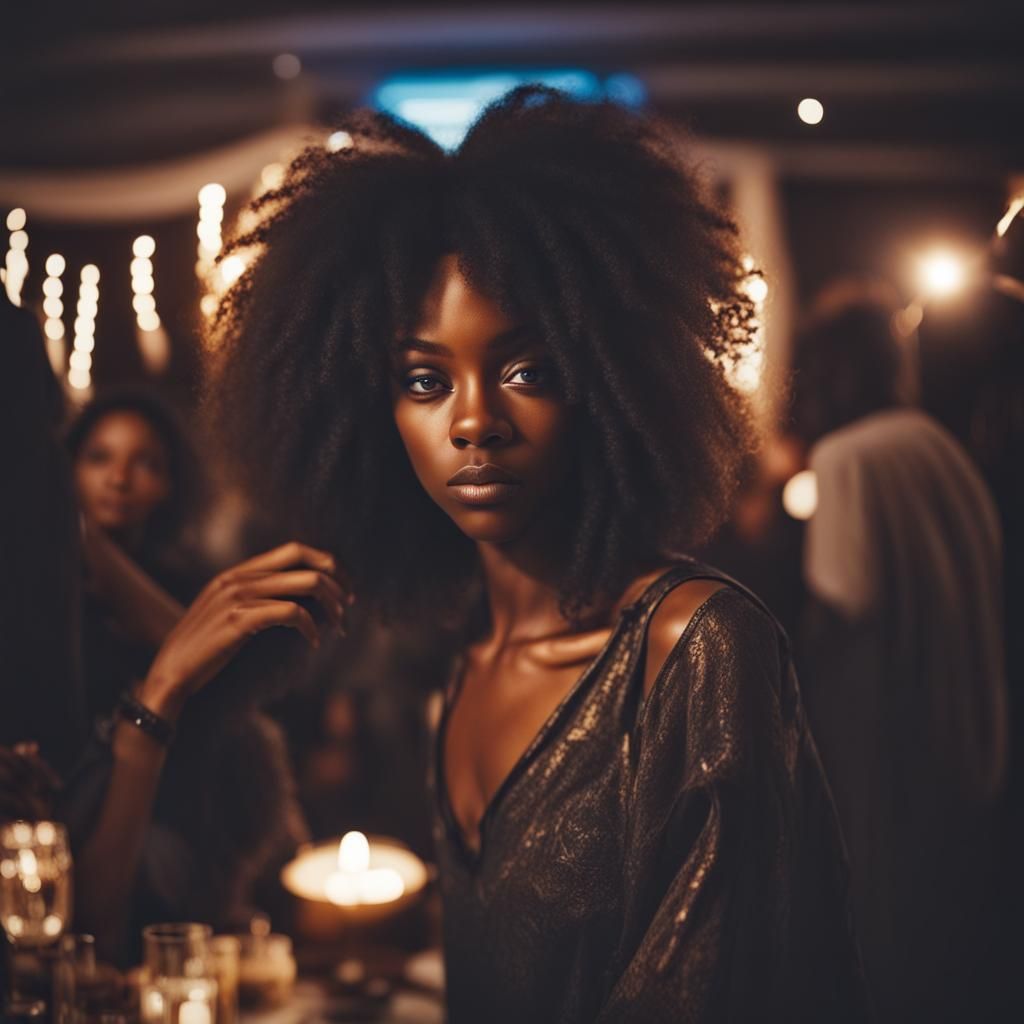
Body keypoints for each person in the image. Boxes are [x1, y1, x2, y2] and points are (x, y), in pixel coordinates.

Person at [196, 87, 869, 1021]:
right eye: (425, 380)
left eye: (528, 370)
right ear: (365, 413)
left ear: (612, 380)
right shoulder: (467, 659)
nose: (475, 421)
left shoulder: (696, 652)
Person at [789, 286, 1007, 1022]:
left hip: (886, 770)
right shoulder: (940, 446)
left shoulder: (849, 458)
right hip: (970, 757)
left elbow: (841, 607)